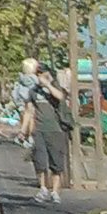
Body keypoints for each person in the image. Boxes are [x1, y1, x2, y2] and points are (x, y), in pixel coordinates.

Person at [25, 72, 71, 204]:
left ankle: (55, 191)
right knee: (40, 160)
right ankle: (43, 188)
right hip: (39, 130)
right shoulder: (33, 91)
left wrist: (48, 85)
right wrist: (25, 131)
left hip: (55, 130)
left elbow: (61, 97)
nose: (40, 79)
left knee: (56, 162)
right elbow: (29, 110)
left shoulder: (55, 90)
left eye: (43, 76)